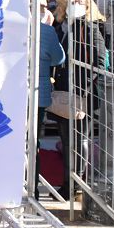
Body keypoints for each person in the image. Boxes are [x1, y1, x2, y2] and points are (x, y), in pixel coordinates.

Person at [52, 0, 107, 199]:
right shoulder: (61, 28)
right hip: (62, 92)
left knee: (79, 139)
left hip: (81, 94)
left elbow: (100, 62)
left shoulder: (90, 28)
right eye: (72, 2)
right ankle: (69, 184)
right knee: (66, 140)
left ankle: (77, 185)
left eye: (80, 2)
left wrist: (82, 86)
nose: (76, 5)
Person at [35, 11, 66, 198]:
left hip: (9, 95)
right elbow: (58, 58)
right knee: (32, 143)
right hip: (37, 94)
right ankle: (32, 191)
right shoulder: (45, 31)